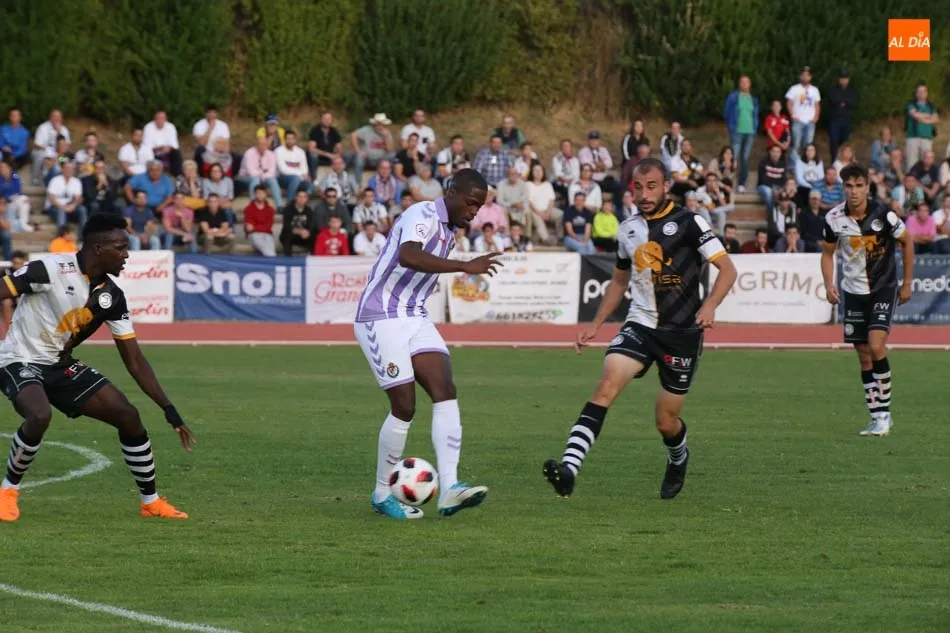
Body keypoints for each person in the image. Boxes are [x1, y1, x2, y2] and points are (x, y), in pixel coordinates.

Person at [542, 158, 737, 500]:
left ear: (666, 187)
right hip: (641, 324)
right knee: (605, 387)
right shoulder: (627, 229)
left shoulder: (690, 222)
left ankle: (678, 458)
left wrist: (709, 306)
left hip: (681, 334)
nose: (644, 195)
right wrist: (596, 324)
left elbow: (728, 270)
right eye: (638, 188)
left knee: (666, 421)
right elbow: (620, 280)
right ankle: (569, 468)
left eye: (652, 187)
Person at [0, 214, 195, 522]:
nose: (126, 255)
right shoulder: (49, 269)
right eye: (121, 247)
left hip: (59, 365)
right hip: (18, 358)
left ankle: (151, 502)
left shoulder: (112, 297)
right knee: (39, 415)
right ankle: (7, 492)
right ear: (99, 248)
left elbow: (134, 359)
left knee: (128, 416)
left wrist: (168, 408)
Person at [353, 169, 502, 520]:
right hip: (380, 315)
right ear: (451, 193)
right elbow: (409, 255)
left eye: (479, 206)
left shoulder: (450, 230)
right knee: (404, 406)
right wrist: (465, 266)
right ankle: (381, 494)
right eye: (470, 203)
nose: (474, 211)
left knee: (444, 389)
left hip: (415, 315)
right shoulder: (422, 214)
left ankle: (449, 488)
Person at [820, 163, 914, 437]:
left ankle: (884, 415)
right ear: (843, 188)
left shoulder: (884, 214)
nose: (854, 191)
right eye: (849, 186)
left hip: (883, 287)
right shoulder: (833, 218)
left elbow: (907, 241)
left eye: (859, 186)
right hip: (853, 292)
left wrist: (907, 283)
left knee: (875, 345)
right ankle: (877, 416)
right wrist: (828, 283)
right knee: (863, 356)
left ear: (867, 187)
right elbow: (827, 253)